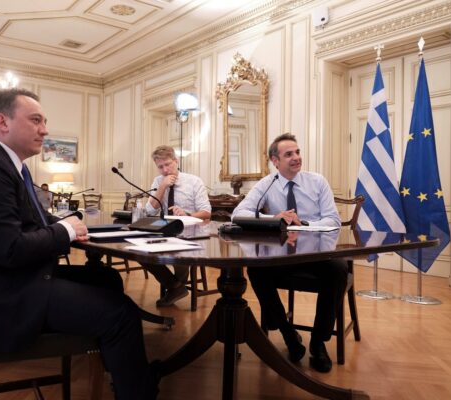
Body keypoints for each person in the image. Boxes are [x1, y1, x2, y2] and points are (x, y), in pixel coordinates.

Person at [0, 88, 158, 399]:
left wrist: (66, 223)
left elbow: (33, 217)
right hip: (3, 297)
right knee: (122, 313)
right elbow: (10, 249)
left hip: (8, 281)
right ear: (3, 122)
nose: (44, 130)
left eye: (44, 121)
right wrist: (66, 231)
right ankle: (137, 390)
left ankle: (122, 372)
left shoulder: (5, 163)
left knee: (106, 277)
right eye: (35, 120)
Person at [232, 133, 347, 373]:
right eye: (288, 154)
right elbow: (238, 214)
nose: (296, 158)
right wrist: (273, 218)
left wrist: (303, 223)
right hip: (282, 255)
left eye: (297, 152)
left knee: (338, 269)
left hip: (315, 254)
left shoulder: (317, 181)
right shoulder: (267, 183)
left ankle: (318, 342)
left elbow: (333, 220)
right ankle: (288, 333)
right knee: (256, 270)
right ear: (275, 161)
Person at [144, 145, 211, 306]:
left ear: (176, 161)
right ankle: (175, 287)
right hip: (165, 232)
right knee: (141, 253)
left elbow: (206, 213)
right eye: (160, 167)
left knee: (179, 252)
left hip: (190, 233)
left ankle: (174, 288)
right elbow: (150, 210)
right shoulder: (158, 181)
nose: (165, 170)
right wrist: (162, 186)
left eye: (168, 164)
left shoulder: (194, 181)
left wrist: (187, 214)